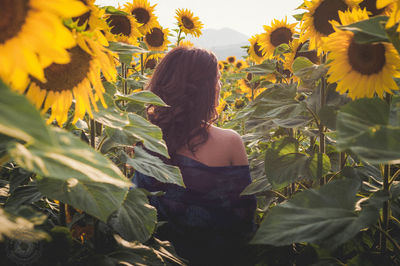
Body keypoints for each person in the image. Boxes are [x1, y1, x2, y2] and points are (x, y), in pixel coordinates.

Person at [132, 46, 256, 265]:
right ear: (204, 89)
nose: (220, 85)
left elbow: (137, 217)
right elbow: (244, 222)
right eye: (217, 79)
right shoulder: (229, 142)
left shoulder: (144, 140)